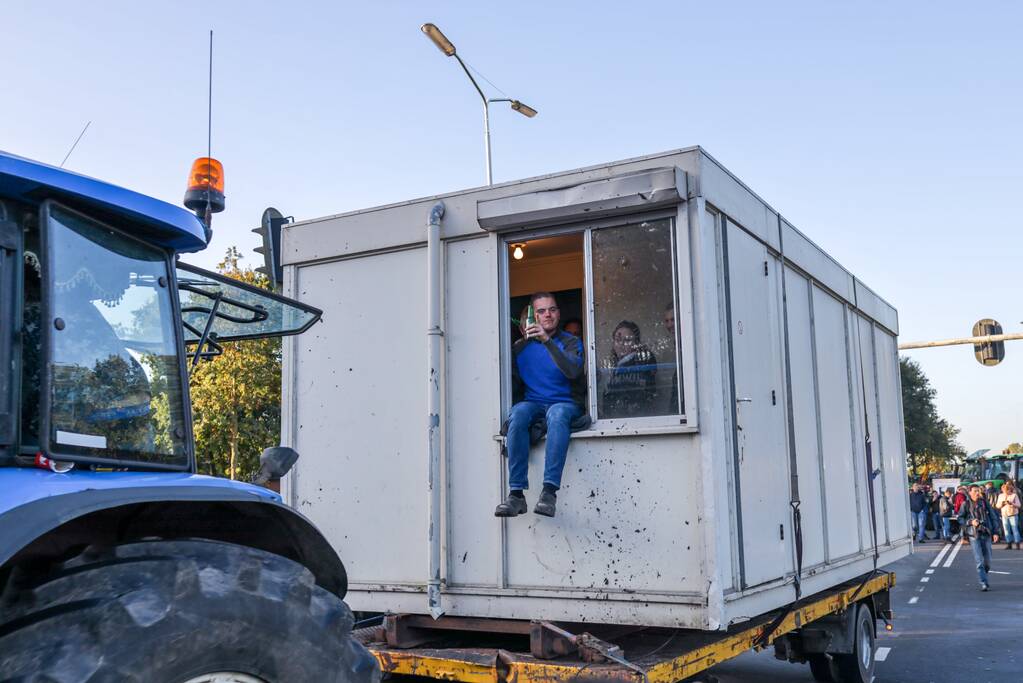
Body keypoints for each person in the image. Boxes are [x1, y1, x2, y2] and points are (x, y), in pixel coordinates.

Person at [495, 292, 585, 519]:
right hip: (534, 403)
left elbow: (573, 371)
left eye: (552, 309)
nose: (548, 314)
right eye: (542, 311)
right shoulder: (520, 348)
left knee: (556, 413)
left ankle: (549, 492)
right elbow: (512, 386)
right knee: (518, 413)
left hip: (565, 404)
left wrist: (547, 341)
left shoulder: (571, 342)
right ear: (533, 317)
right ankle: (516, 495)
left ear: (558, 313)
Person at [957, 484, 1000, 591]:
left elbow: (993, 517)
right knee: (979, 561)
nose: (977, 493)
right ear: (970, 492)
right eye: (975, 491)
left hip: (986, 533)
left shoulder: (984, 502)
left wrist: (995, 532)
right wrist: (971, 521)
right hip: (974, 535)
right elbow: (960, 518)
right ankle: (983, 582)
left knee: (988, 562)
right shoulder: (965, 504)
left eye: (978, 491)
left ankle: (983, 575)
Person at [995, 481, 1022, 549]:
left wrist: (1012, 504)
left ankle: (1017, 543)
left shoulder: (1014, 495)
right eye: (1003, 490)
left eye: (1006, 490)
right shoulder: (1000, 496)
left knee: (1014, 529)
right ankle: (1009, 543)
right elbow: (997, 506)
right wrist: (1002, 504)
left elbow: (1019, 505)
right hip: (1004, 515)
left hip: (1013, 514)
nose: (1005, 492)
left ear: (1009, 489)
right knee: (1006, 529)